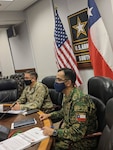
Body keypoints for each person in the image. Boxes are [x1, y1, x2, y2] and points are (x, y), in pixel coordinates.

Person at [39, 68, 98, 150]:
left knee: (50, 146)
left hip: (84, 140)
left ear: (68, 83)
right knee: (44, 139)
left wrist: (54, 132)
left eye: (59, 80)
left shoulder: (80, 101)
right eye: (56, 79)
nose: (55, 82)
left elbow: (78, 132)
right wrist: (49, 115)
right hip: (70, 134)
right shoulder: (67, 94)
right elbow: (64, 112)